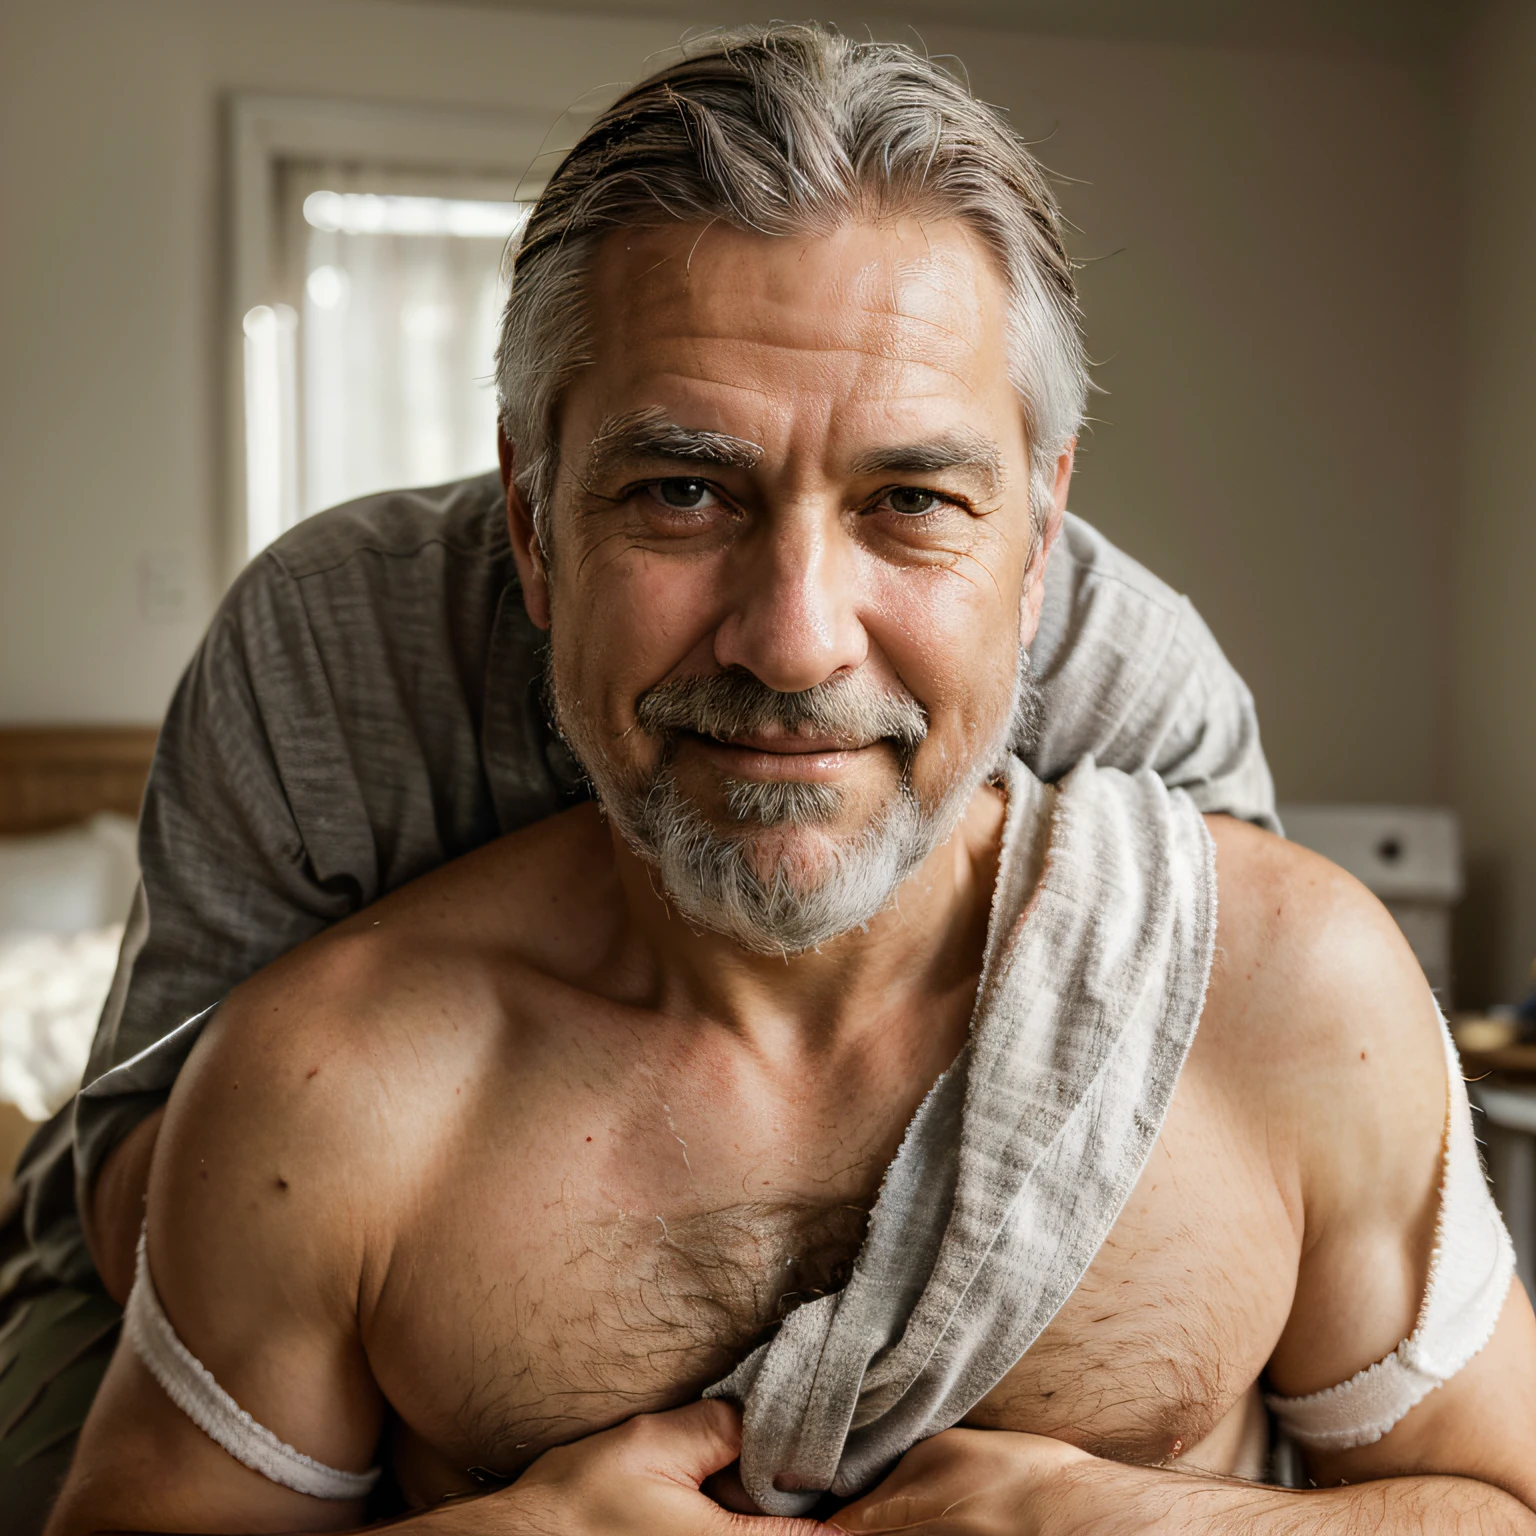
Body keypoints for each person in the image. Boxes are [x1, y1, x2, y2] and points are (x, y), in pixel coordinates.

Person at [29, 23, 1536, 1536]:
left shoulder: (1255, 924)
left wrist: (1150, 1523)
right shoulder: (326, 962)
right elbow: (151, 1196)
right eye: (684, 491)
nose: (797, 644)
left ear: (1040, 544)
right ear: (535, 525)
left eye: (913, 501)